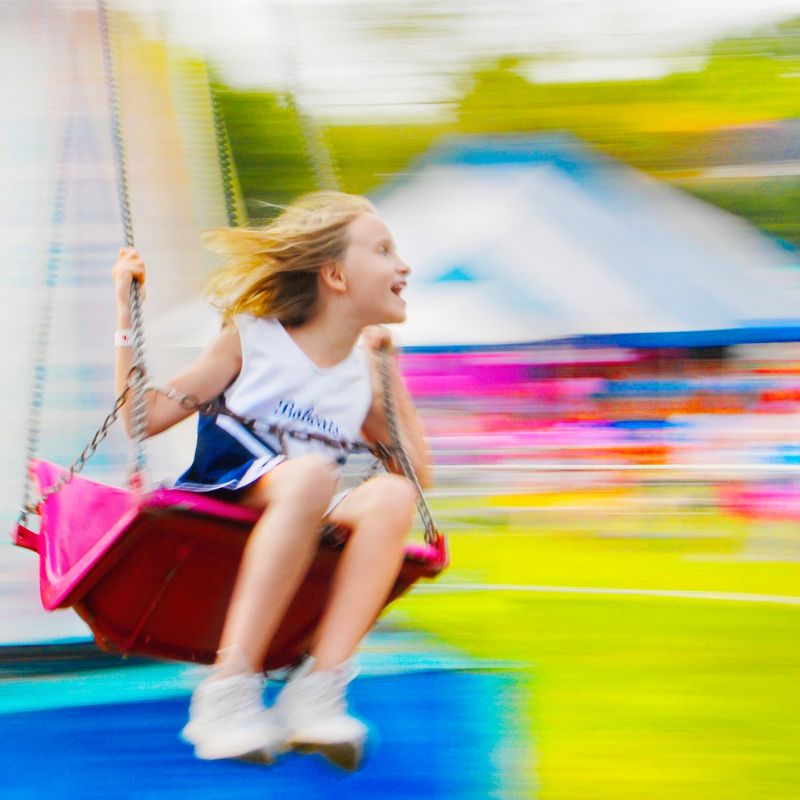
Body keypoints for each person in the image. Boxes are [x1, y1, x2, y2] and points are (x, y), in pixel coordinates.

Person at [111, 191, 431, 770]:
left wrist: (390, 376)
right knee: (310, 475)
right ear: (334, 274)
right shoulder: (253, 337)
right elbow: (143, 419)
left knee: (391, 494)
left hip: (302, 512)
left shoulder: (360, 374)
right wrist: (124, 314)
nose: (403, 266)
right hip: (230, 494)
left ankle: (320, 686)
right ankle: (227, 692)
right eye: (383, 251)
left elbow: (416, 475)